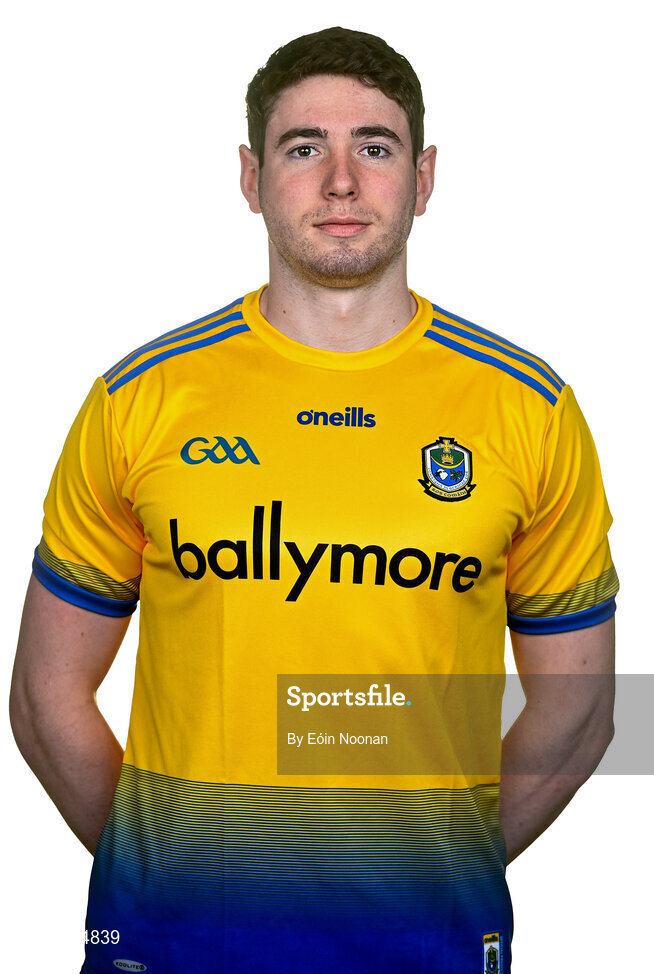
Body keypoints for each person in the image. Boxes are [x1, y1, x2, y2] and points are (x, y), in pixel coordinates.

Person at [10, 25, 617, 974]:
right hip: (172, 946)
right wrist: (162, 877)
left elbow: (579, 710)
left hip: (430, 945)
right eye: (305, 149)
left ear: (422, 180)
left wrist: (437, 867)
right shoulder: (141, 400)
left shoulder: (527, 409)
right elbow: (47, 694)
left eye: (374, 148)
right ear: (251, 179)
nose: (341, 182)